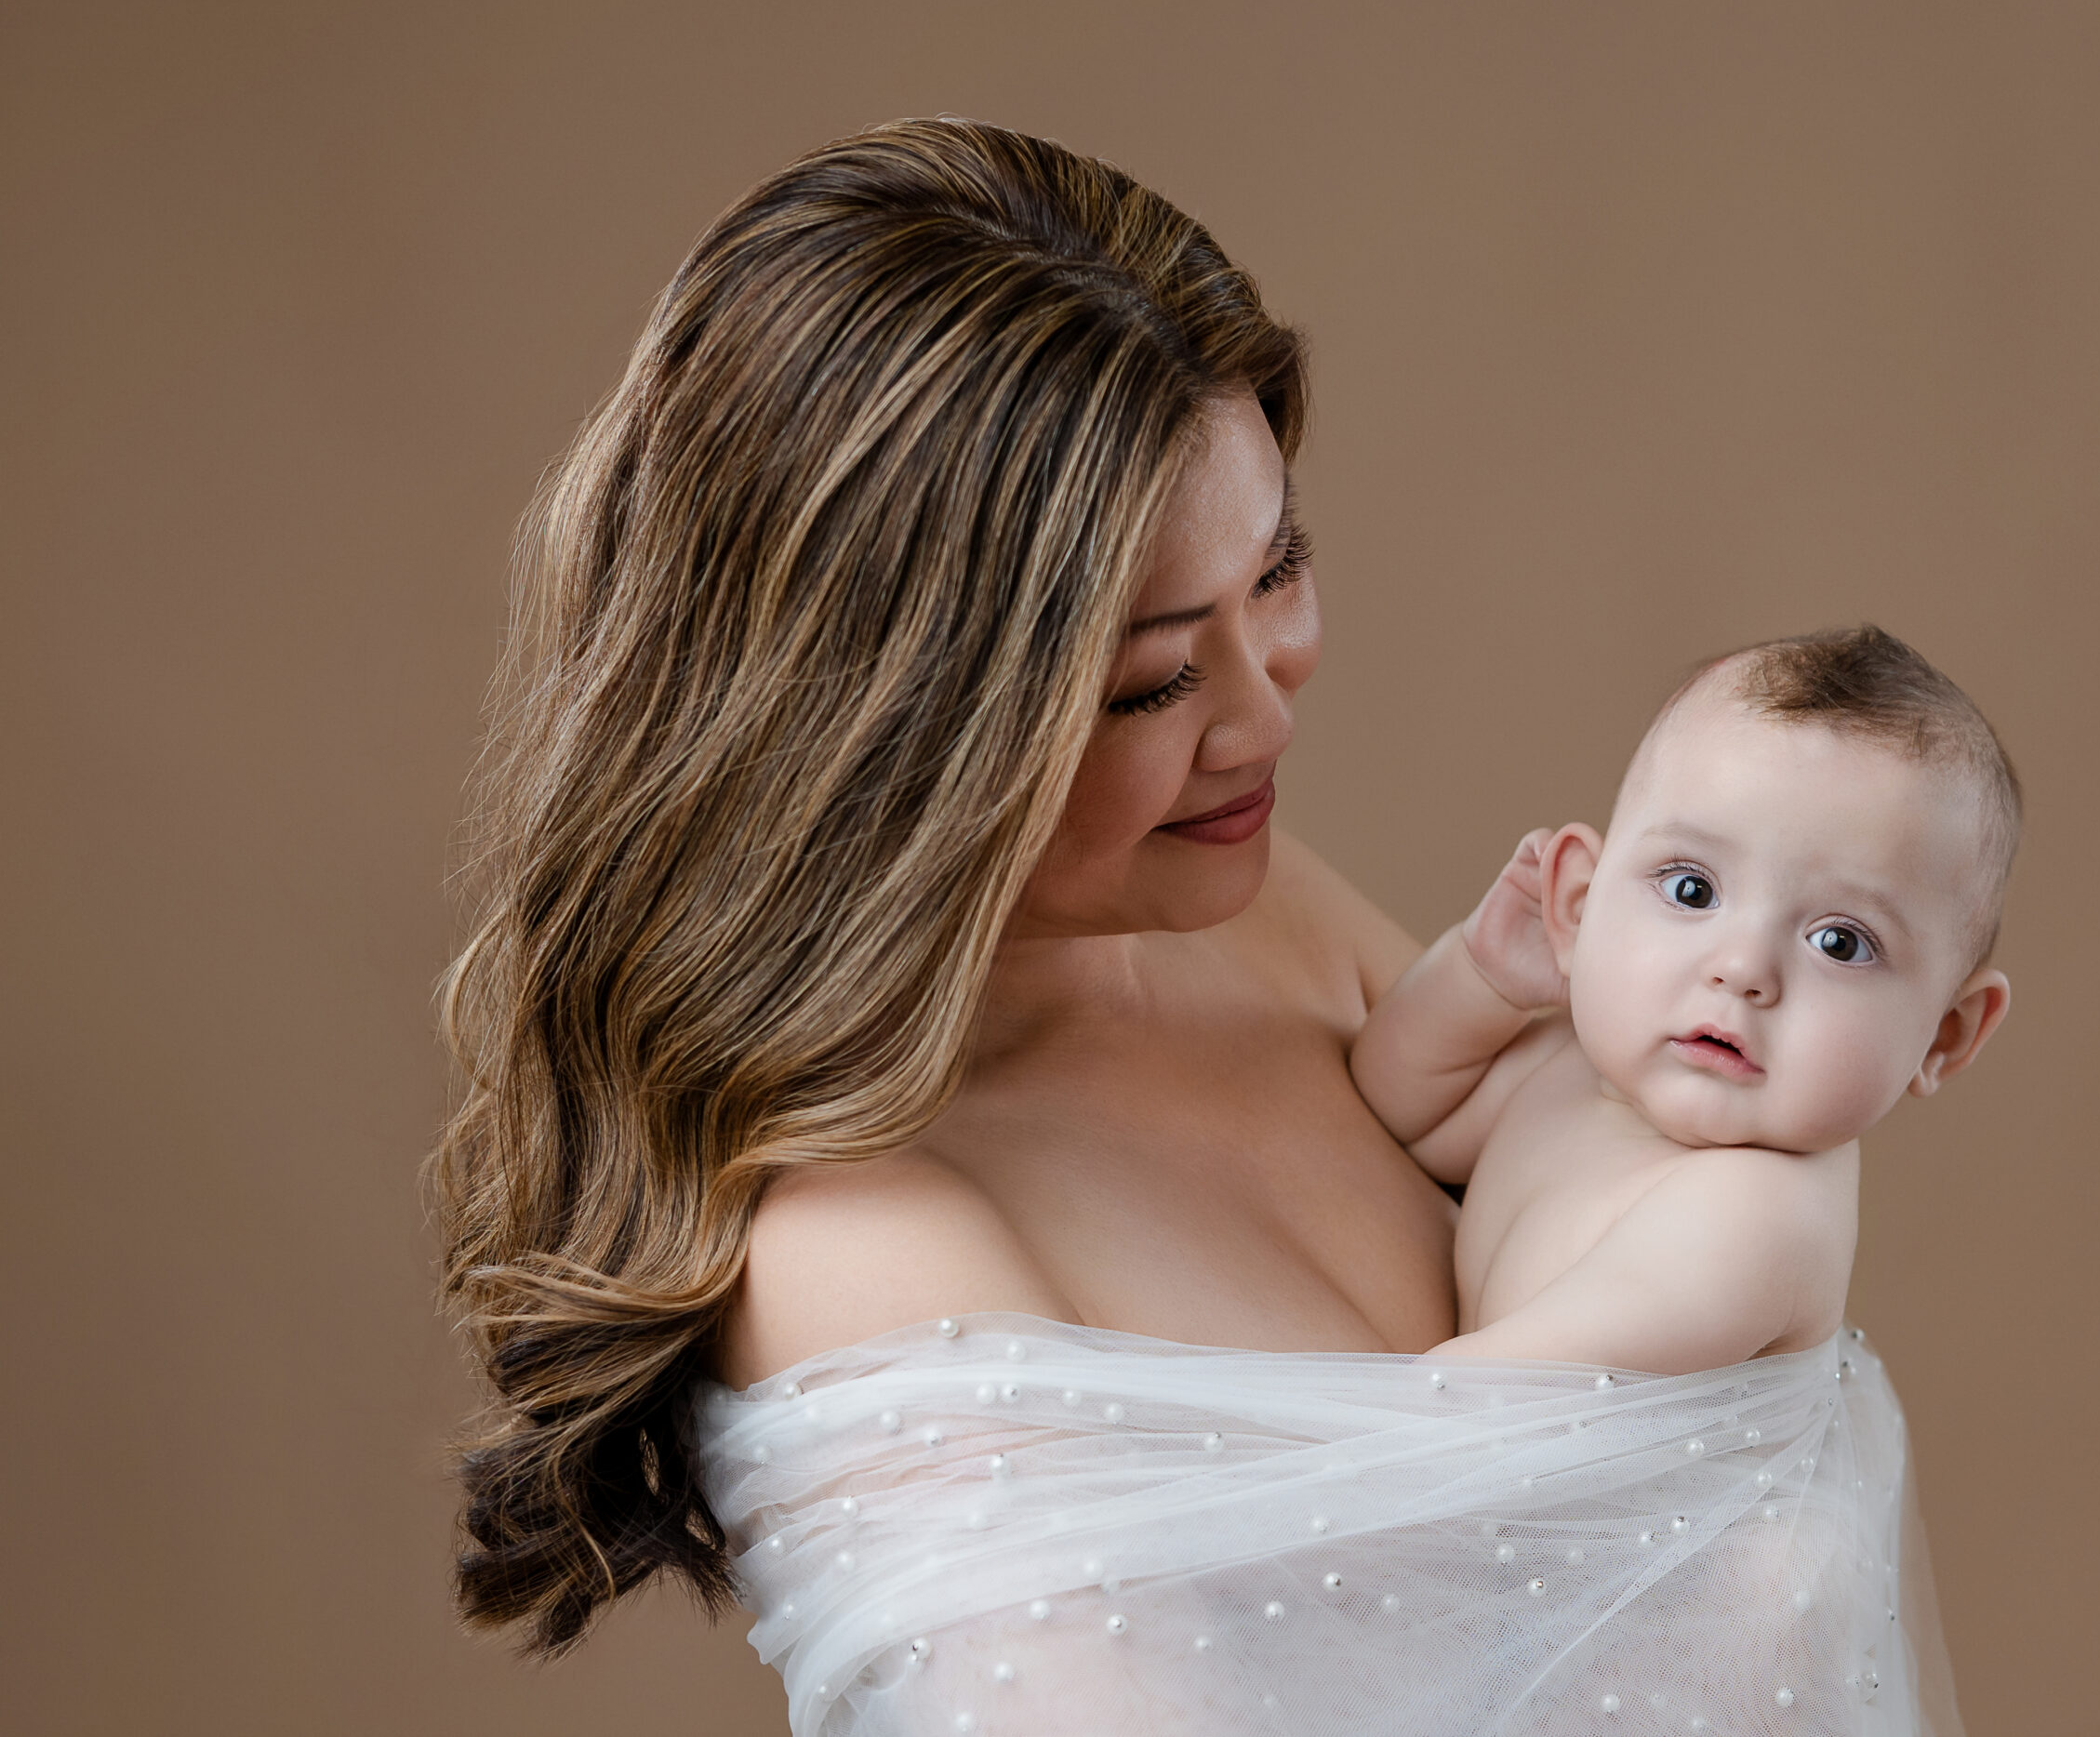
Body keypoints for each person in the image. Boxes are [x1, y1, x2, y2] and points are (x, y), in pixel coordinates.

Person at [438, 120, 1962, 1734]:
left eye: (1278, 569)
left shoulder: (1247, 905)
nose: (1264, 712)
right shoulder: (871, 1253)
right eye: (1155, 679)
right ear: (890, 730)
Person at [1352, 626, 2016, 1372]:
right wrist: (1482, 974)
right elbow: (1397, 1106)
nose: (1742, 969)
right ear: (1576, 904)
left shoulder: (1758, 1219)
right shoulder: (1571, 1069)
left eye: (1839, 942)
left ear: (1944, 1035)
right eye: (1692, 889)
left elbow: (1481, 1401)